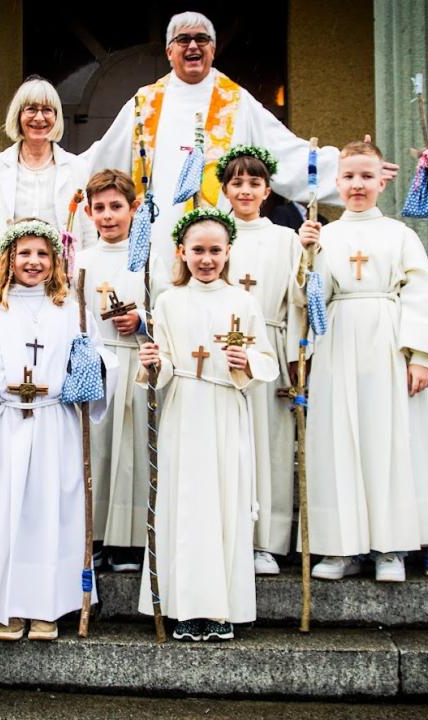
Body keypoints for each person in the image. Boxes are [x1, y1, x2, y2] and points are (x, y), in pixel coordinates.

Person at [85, 10, 398, 270]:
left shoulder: (235, 102)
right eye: (183, 40)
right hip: (158, 233)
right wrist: (49, 166)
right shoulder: (145, 104)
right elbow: (103, 159)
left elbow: (284, 151)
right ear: (169, 51)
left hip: (219, 236)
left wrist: (351, 168)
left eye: (202, 39)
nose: (193, 46)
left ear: (213, 48)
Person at [0, 219, 118, 642]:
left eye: (42, 254)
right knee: (8, 516)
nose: (33, 261)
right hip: (6, 423)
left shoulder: (71, 308)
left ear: (55, 261)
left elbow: (100, 363)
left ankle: (47, 610)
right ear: (8, 259)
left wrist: (91, 364)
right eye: (24, 253)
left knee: (52, 516)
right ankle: (9, 608)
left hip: (54, 422)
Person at [293, 140, 428, 584]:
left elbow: (419, 295)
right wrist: (306, 258)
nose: (357, 185)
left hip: (387, 344)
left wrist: (419, 356)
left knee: (389, 443)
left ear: (382, 180)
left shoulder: (400, 235)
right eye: (348, 177)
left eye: (366, 176)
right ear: (336, 182)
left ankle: (390, 547)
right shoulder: (325, 234)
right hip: (338, 343)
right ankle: (342, 547)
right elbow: (311, 300)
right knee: (338, 444)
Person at [138, 207, 278, 642]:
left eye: (215, 250)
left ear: (228, 252)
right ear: (181, 251)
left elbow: (266, 361)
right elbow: (160, 366)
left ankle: (221, 610)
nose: (206, 258)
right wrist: (152, 362)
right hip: (183, 409)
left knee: (224, 505)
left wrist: (247, 361)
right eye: (197, 250)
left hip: (224, 408)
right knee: (184, 505)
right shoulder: (168, 300)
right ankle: (182, 607)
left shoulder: (243, 302)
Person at [74, 169, 169, 572]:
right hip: (97, 363)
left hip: (134, 360)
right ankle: (92, 537)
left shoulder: (149, 257)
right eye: (99, 208)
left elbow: (167, 303)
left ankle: (129, 542)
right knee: (94, 448)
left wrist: (142, 320)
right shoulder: (80, 260)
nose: (108, 216)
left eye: (116, 207)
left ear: (133, 209)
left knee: (131, 450)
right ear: (88, 213)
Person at [218, 146, 299, 573]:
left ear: (267, 190)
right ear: (225, 190)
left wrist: (297, 359)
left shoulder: (285, 239)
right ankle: (229, 534)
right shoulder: (214, 233)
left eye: (254, 183)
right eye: (237, 183)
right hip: (221, 349)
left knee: (270, 446)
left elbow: (300, 302)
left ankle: (266, 540)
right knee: (228, 444)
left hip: (269, 345)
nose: (245, 190)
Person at [0, 76, 96, 276]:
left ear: (56, 117)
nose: (39, 118)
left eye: (47, 110)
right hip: (9, 277)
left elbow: (89, 233)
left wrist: (86, 277)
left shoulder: (77, 167)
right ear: (18, 115)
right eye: (31, 109)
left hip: (61, 276)